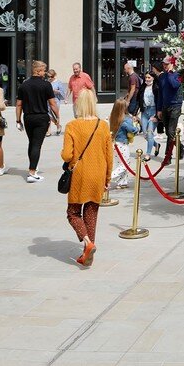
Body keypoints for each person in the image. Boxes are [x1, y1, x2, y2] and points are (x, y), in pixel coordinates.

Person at [61, 90, 112, 267]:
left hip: (79, 174)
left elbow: (67, 155)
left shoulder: (72, 126)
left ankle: (88, 243)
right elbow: (109, 155)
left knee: (73, 212)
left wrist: (65, 156)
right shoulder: (103, 126)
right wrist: (107, 178)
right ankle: (87, 252)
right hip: (98, 173)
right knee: (91, 212)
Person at [15, 60, 61, 183]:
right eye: (43, 70)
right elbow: (52, 103)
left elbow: (19, 105)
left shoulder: (24, 85)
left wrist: (18, 120)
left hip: (28, 117)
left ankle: (33, 167)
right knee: (36, 145)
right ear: (38, 70)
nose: (44, 73)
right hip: (41, 117)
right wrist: (58, 118)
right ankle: (32, 172)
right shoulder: (46, 85)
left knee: (32, 143)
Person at [157, 58, 184, 161]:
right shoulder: (162, 77)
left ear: (172, 64)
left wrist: (170, 72)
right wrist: (159, 109)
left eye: (167, 64)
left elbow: (174, 85)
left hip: (175, 105)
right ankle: (181, 147)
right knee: (169, 132)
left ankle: (167, 156)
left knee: (171, 131)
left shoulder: (178, 75)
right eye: (163, 64)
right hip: (165, 106)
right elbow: (160, 94)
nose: (165, 66)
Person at [108, 99, 140, 189]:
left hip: (114, 143)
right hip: (122, 144)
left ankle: (122, 183)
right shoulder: (125, 120)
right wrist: (136, 125)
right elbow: (133, 130)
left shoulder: (112, 117)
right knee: (125, 164)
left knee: (119, 163)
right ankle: (108, 177)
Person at [139, 72, 158, 159]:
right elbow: (138, 100)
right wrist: (135, 113)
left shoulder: (157, 87)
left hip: (153, 111)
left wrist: (157, 114)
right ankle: (156, 144)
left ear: (153, 78)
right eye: (146, 77)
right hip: (144, 111)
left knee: (150, 133)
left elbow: (160, 101)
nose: (147, 79)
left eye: (149, 77)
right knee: (145, 134)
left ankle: (148, 154)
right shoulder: (143, 87)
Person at [48, 69, 66, 135]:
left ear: (54, 75)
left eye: (51, 76)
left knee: (56, 115)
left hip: (55, 100)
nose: (50, 78)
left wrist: (57, 91)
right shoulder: (47, 82)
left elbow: (62, 93)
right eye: (48, 76)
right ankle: (48, 130)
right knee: (48, 115)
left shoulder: (58, 82)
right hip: (47, 100)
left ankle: (58, 126)